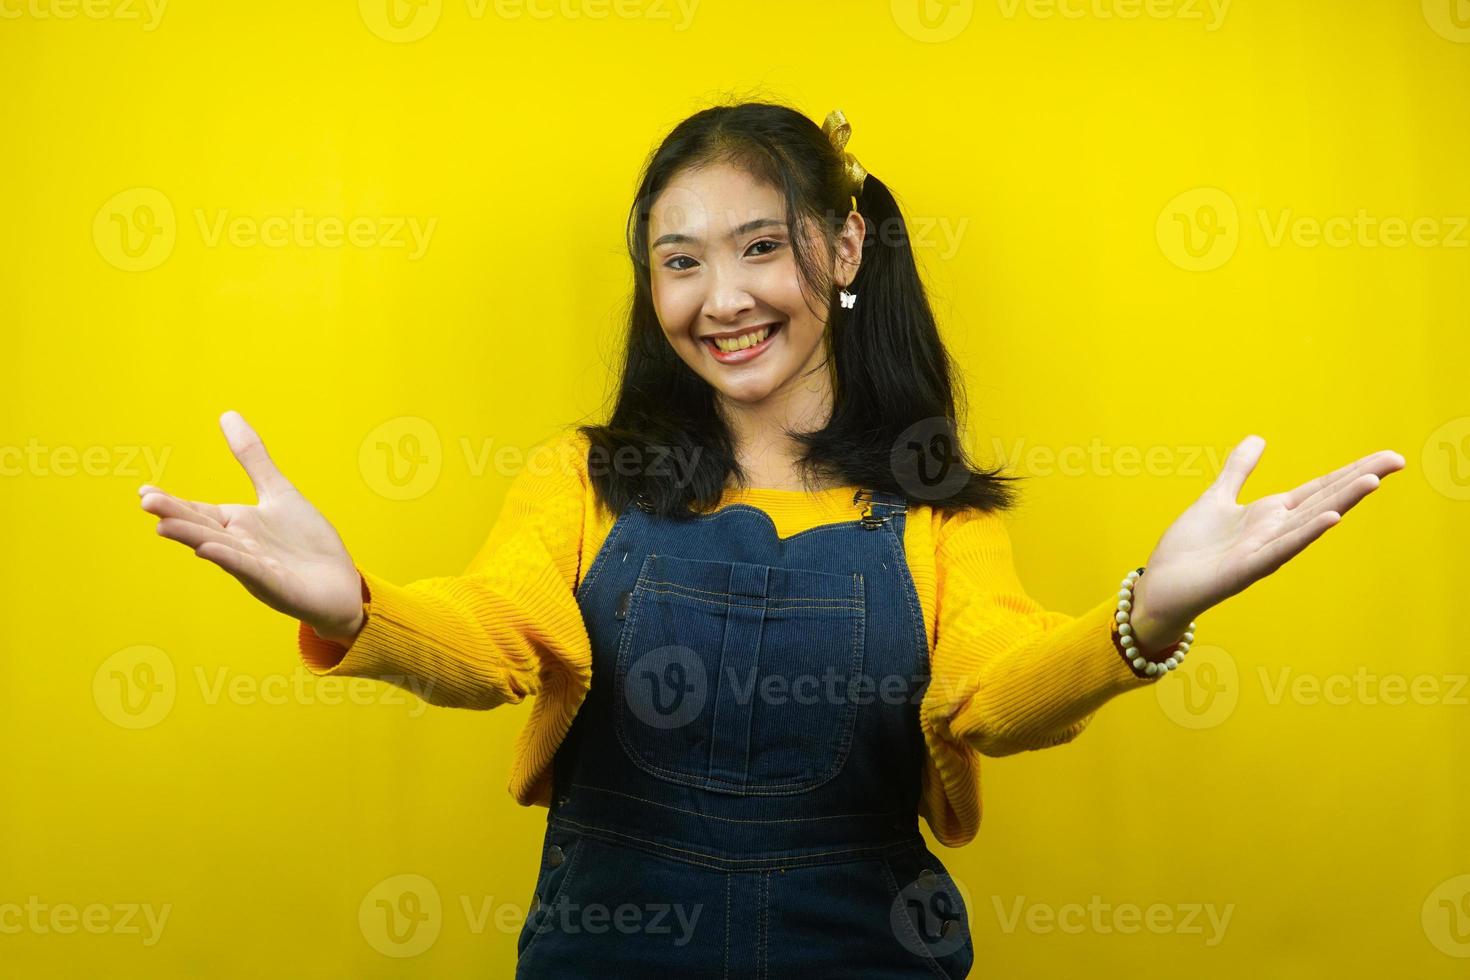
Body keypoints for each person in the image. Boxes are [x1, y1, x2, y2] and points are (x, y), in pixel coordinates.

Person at [138, 101, 1404, 977]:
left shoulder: (937, 511)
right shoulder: (582, 478)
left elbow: (993, 696)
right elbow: (491, 645)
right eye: (679, 261)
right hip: (608, 955)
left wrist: (1150, 614)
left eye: (759, 248)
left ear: (844, 247)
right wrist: (353, 606)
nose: (722, 298)